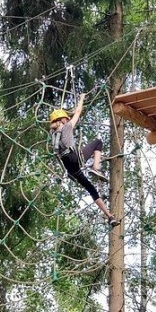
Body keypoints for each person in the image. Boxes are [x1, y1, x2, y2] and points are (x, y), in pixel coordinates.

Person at [49, 94, 120, 228]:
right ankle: (95, 167)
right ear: (63, 119)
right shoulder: (67, 126)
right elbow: (78, 112)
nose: (68, 119)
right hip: (75, 158)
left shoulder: (52, 134)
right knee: (98, 142)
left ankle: (109, 216)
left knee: (91, 189)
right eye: (66, 118)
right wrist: (81, 98)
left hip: (69, 167)